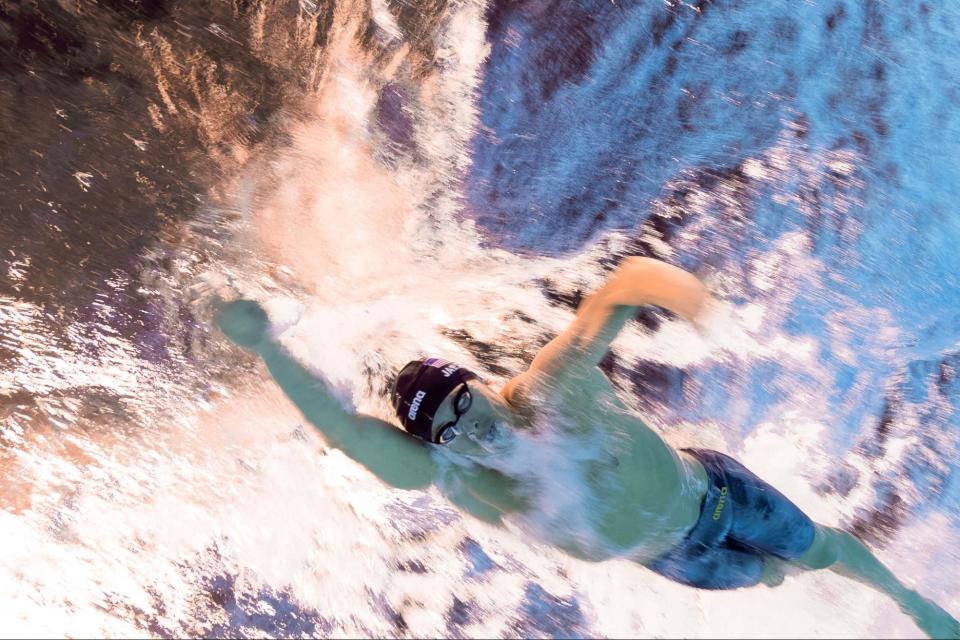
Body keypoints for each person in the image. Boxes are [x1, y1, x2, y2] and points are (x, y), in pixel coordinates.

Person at [216, 256, 958, 638]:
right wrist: (269, 351)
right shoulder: (463, 479)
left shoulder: (554, 385)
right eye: (446, 429)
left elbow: (628, 285)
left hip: (717, 495)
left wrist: (694, 300)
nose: (467, 429)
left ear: (474, 381)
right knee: (767, 580)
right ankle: (779, 578)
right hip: (675, 559)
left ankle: (910, 600)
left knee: (816, 551)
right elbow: (347, 433)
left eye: (462, 403)